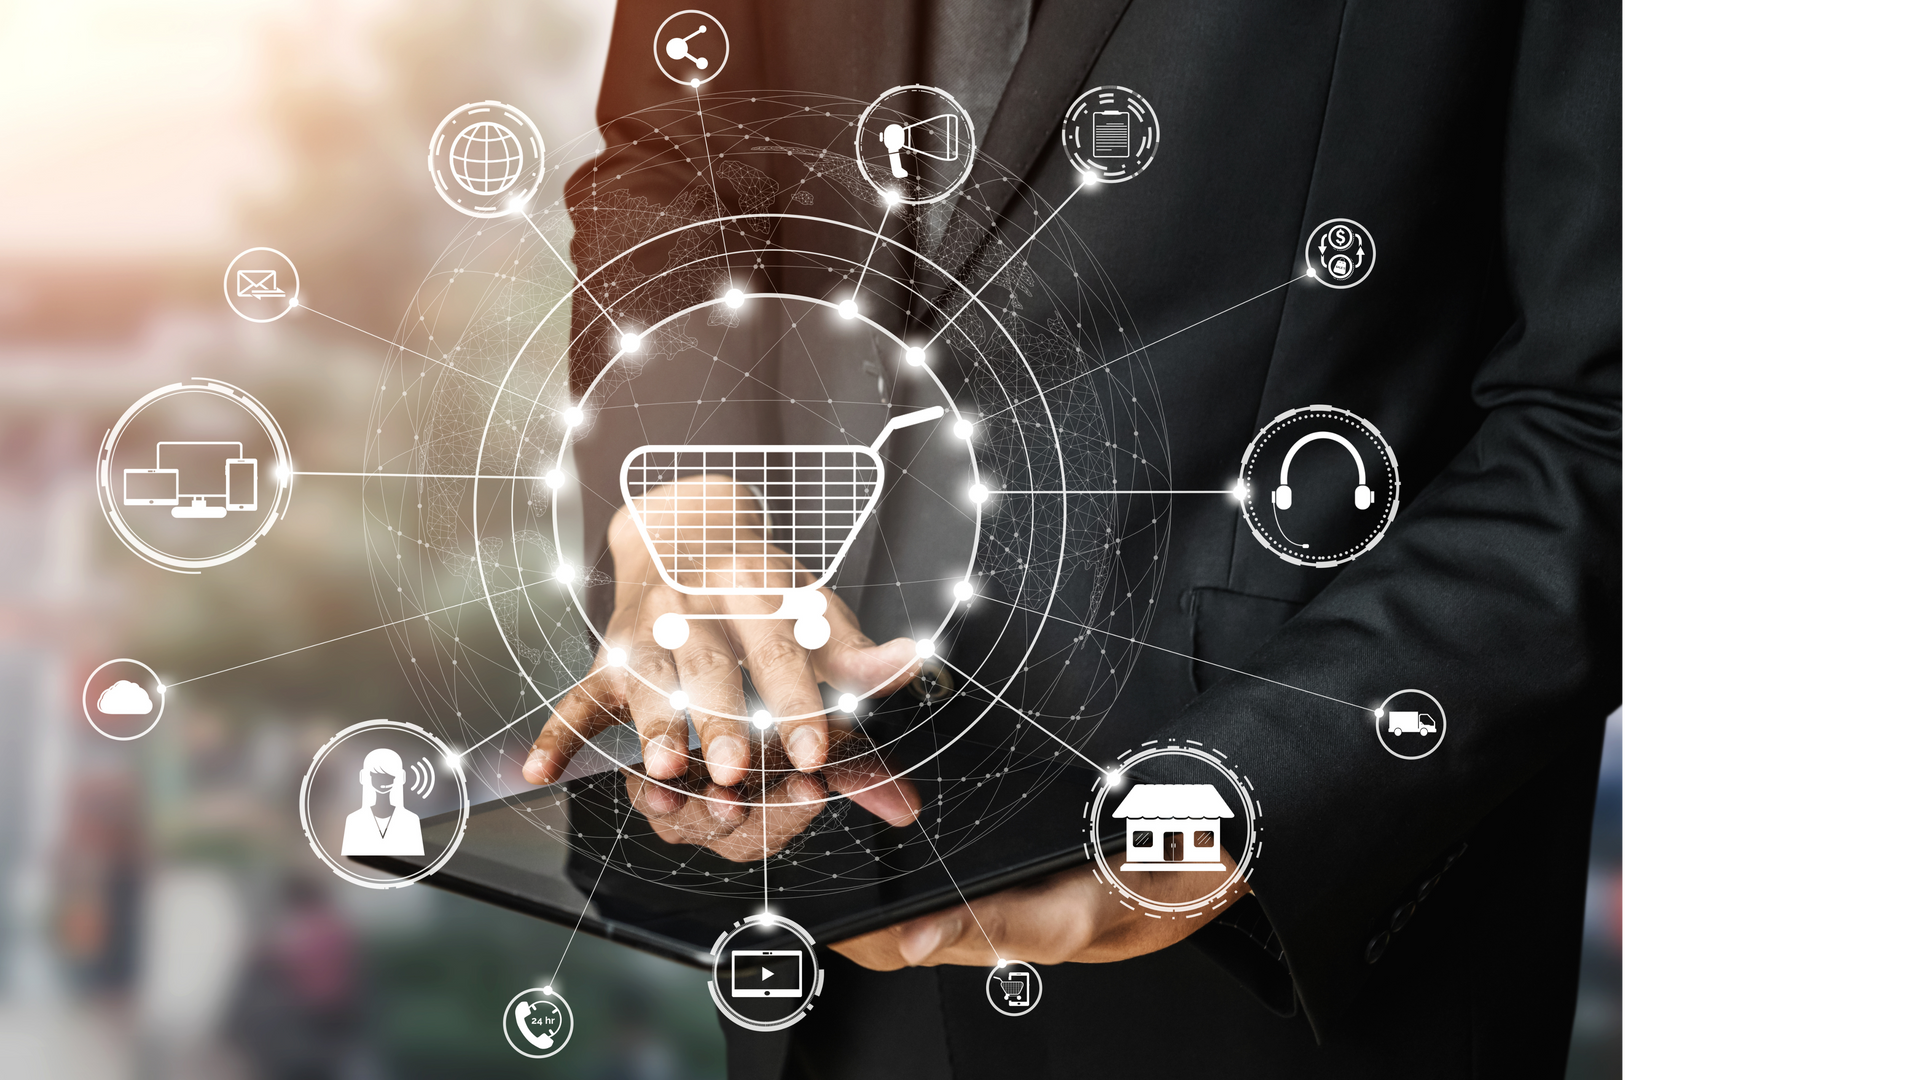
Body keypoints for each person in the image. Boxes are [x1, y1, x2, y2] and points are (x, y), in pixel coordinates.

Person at [523, 1, 1625, 1077]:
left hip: (1277, 943)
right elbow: (671, 159)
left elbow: (1600, 418)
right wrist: (683, 494)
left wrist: (1236, 801)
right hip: (811, 905)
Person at [340, 748, 422, 857]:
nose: (384, 782)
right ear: (363, 777)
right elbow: (350, 859)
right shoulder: (354, 820)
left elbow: (415, 860)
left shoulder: (411, 820)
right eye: (377, 776)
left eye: (389, 776)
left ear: (402, 777)